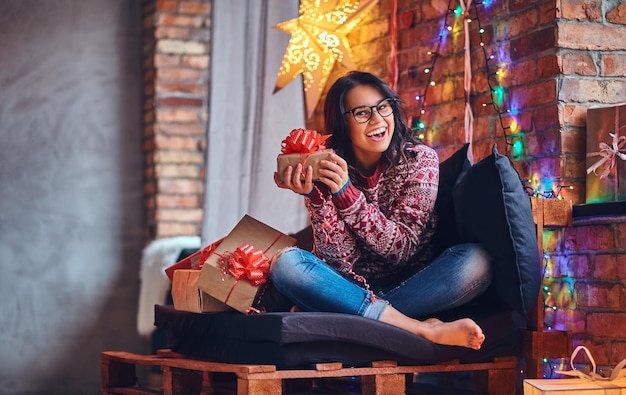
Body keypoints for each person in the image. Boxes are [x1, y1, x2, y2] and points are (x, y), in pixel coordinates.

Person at [272, 71, 492, 350]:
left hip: (413, 284)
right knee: (285, 264)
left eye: (383, 106)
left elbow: (400, 249)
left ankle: (349, 314)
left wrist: (346, 194)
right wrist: (317, 198)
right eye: (362, 112)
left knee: (477, 262)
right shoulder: (329, 166)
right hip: (350, 285)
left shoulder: (419, 160)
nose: (377, 120)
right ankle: (419, 328)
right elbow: (340, 262)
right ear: (342, 124)